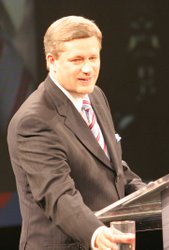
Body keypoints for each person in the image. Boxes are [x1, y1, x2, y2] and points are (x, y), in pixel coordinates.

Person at [7, 15, 145, 250]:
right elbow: (57, 194)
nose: (88, 68)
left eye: (93, 57)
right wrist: (96, 232)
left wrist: (151, 193)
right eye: (77, 60)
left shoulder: (96, 95)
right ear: (52, 61)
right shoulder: (34, 121)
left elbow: (109, 165)